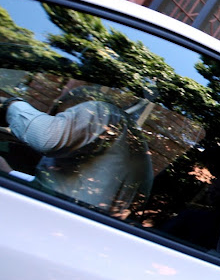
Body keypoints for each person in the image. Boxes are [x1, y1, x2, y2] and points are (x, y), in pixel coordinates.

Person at [0, 82, 153, 214]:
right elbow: (57, 191)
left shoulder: (102, 113)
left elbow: (46, 137)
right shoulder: (125, 140)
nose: (64, 88)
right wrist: (10, 173)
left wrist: (10, 105)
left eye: (61, 117)